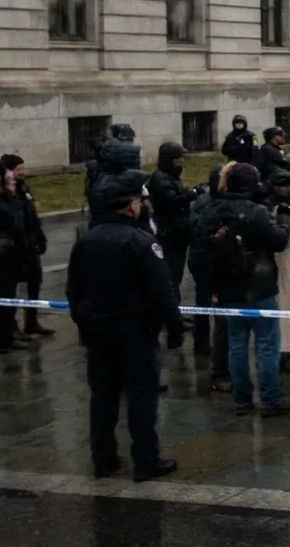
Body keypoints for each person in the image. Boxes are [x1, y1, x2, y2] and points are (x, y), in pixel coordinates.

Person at [66, 168, 181, 482]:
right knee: (142, 395)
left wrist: (84, 320)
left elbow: (73, 289)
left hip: (98, 331)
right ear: (131, 206)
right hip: (135, 331)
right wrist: (174, 327)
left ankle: (103, 460)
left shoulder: (86, 240)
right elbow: (161, 291)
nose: (141, 205)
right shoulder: (141, 241)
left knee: (102, 396)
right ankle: (146, 460)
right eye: (138, 201)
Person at [205, 163, 290, 418]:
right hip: (259, 288)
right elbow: (278, 241)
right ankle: (270, 399)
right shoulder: (255, 212)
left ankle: (242, 400)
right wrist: (283, 219)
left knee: (236, 344)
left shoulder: (216, 211)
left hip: (228, 289)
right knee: (267, 345)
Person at [187, 164, 230, 389]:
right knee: (217, 308)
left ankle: (201, 343)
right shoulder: (220, 205)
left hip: (197, 259)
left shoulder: (200, 202)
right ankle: (211, 349)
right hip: (210, 261)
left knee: (201, 301)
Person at [1, 154, 51, 336]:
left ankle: (32, 321)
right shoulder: (8, 195)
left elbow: (32, 216)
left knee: (34, 283)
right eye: (19, 169)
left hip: (30, 245)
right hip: (15, 249)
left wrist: (40, 237)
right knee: (12, 291)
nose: (23, 172)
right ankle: (10, 328)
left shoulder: (23, 189)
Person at [147, 142, 196, 315]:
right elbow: (171, 202)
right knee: (171, 277)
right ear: (170, 160)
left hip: (177, 233)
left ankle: (175, 311)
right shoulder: (161, 179)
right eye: (178, 158)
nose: (181, 162)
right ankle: (171, 315)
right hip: (170, 234)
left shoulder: (170, 177)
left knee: (175, 276)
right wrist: (192, 194)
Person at [0, 162, 30, 353]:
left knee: (9, 297)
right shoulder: (3, 205)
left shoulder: (8, 199)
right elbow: (15, 224)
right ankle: (4, 340)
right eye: (9, 179)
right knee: (4, 299)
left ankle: (8, 335)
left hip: (10, 258)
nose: (13, 182)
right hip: (3, 259)